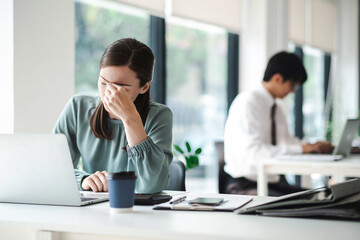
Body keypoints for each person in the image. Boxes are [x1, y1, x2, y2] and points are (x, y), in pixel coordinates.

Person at [53, 38, 173, 194]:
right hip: (93, 210)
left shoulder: (159, 116)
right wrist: (82, 180)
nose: (109, 93)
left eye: (120, 87)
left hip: (140, 212)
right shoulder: (78, 107)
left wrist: (130, 118)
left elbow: (152, 184)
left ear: (144, 87)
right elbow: (52, 167)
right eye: (103, 82)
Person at [224, 51, 333, 196]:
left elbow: (286, 142)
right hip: (244, 185)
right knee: (309, 202)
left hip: (272, 182)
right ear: (277, 78)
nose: (293, 91)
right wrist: (301, 149)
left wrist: (312, 147)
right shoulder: (248, 103)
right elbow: (255, 153)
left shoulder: (276, 108)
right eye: (293, 84)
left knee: (323, 196)